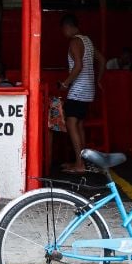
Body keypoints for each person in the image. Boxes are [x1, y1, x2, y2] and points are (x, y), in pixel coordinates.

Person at [57, 14, 105, 174]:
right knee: (79, 125)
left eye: (63, 29)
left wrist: (65, 83)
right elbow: (102, 60)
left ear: (67, 27)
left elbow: (78, 66)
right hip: (88, 90)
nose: (63, 33)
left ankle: (79, 164)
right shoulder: (87, 41)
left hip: (78, 90)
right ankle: (81, 161)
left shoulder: (74, 41)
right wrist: (97, 80)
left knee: (71, 124)